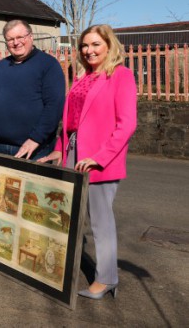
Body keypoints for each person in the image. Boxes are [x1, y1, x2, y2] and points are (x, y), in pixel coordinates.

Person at [38, 24, 137, 300]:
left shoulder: (121, 75)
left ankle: (106, 279)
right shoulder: (84, 77)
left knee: (100, 222)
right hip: (73, 154)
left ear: (109, 46)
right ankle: (61, 267)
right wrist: (60, 148)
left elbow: (127, 124)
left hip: (98, 160)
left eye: (95, 44)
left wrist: (100, 157)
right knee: (68, 216)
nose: (89, 50)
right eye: (84, 45)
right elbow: (70, 121)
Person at [0, 20, 65, 160]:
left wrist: (36, 138)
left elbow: (54, 106)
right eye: (10, 39)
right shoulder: (0, 67)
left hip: (35, 148)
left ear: (31, 36)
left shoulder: (48, 65)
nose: (16, 43)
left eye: (20, 37)